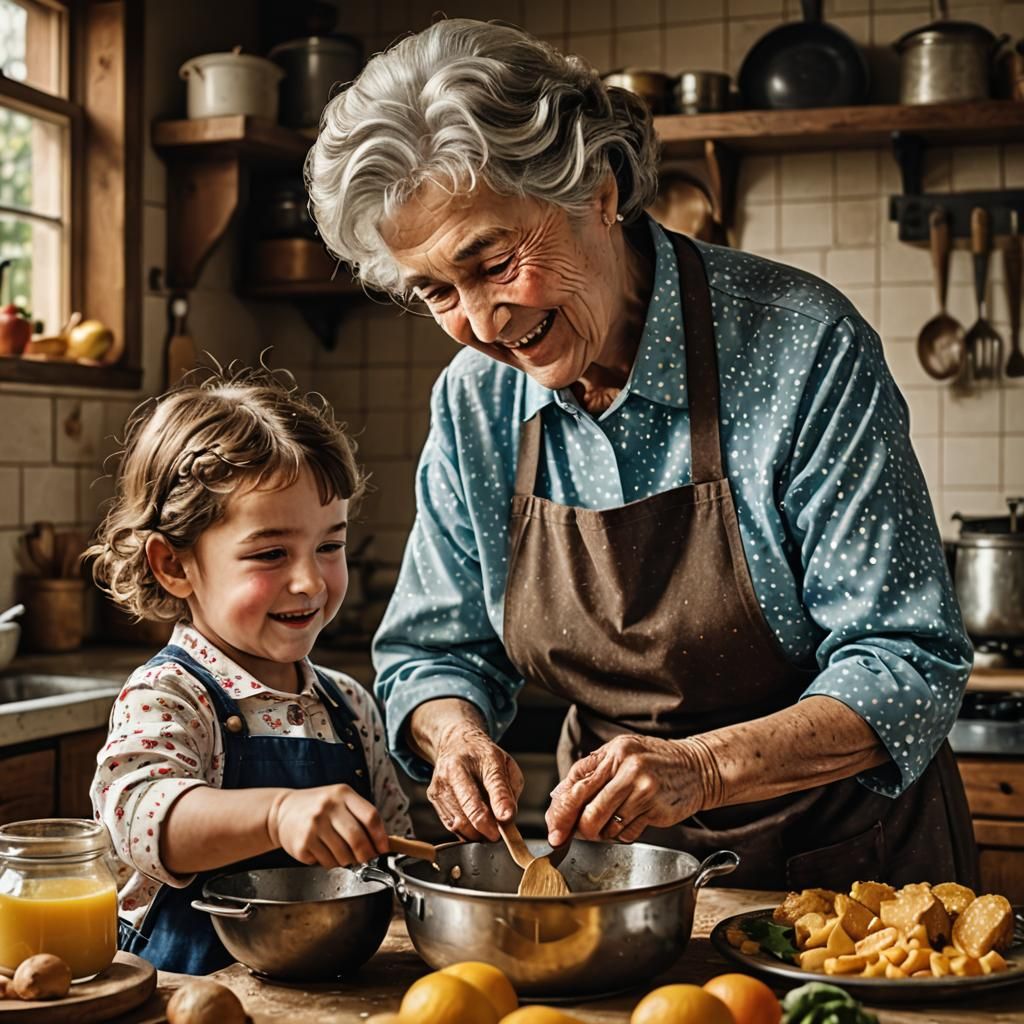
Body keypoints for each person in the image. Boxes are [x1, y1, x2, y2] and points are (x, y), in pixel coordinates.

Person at [306, 19, 978, 890]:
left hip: (848, 873)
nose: (481, 323)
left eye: (497, 262)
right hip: (614, 879)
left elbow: (908, 660)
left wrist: (699, 769)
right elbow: (435, 652)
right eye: (438, 290)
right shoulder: (475, 402)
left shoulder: (802, 346)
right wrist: (456, 735)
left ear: (597, 188)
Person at [87, 364, 410, 975]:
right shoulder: (170, 697)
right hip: (183, 997)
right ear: (173, 565)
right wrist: (275, 815)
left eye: (330, 545)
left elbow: (387, 858)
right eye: (270, 553)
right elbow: (136, 818)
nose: (310, 580)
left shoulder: (350, 707)